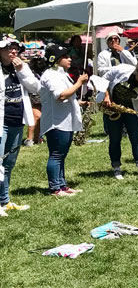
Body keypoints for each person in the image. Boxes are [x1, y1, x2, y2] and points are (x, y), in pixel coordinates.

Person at [99, 57, 138, 180]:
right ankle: (116, 167)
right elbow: (104, 79)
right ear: (137, 73)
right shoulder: (122, 69)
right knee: (115, 138)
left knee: (136, 139)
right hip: (113, 107)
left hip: (132, 110)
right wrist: (106, 96)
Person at [39, 45, 87, 196]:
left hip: (65, 120)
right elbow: (60, 95)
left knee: (62, 155)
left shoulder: (61, 74)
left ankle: (62, 185)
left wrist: (77, 102)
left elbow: (67, 95)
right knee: (56, 154)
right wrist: (79, 83)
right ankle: (55, 187)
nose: (69, 59)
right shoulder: (50, 75)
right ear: (55, 59)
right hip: (56, 122)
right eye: (65, 57)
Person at [1, 35, 40, 213]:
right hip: (2, 122)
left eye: (16, 48)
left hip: (17, 121)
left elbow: (35, 88)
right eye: (9, 48)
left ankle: (5, 201)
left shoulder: (21, 67)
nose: (13, 51)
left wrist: (22, 70)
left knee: (9, 163)